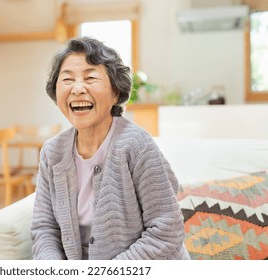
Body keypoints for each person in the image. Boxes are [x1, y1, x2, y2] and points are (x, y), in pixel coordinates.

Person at [31, 37, 190, 260]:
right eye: (67, 79)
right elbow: (44, 229)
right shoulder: (52, 152)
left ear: (116, 92)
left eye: (90, 77)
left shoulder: (136, 145)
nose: (77, 89)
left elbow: (167, 232)